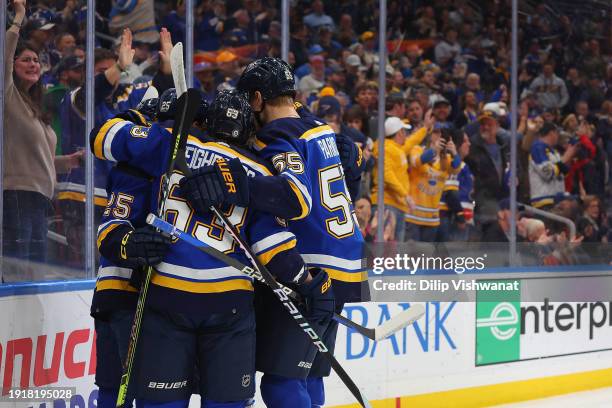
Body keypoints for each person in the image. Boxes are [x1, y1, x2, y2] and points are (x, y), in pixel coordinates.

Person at [91, 89, 323, 408]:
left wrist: (148, 113)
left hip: (166, 296)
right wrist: (307, 282)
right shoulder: (256, 170)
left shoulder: (167, 142)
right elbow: (273, 249)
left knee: (160, 403)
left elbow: (101, 136)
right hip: (230, 305)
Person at [179, 57, 367, 408]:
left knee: (282, 382)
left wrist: (234, 181)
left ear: (257, 99)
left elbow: (296, 198)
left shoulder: (275, 138)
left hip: (308, 269)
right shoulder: (321, 130)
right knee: (307, 373)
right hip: (345, 266)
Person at [3, 0, 81, 266]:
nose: (33, 64)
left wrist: (68, 161)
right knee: (17, 270)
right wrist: (19, 18)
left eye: (36, 60)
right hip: (16, 196)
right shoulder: (8, 98)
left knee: (32, 274)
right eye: (25, 59)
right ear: (11, 66)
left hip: (39, 200)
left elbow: (40, 160)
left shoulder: (35, 108)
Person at [405, 127, 461, 242]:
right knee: (410, 257)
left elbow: (456, 168)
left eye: (443, 134)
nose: (440, 136)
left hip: (432, 218)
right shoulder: (417, 149)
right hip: (413, 216)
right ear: (430, 135)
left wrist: (455, 153)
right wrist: (434, 149)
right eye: (436, 132)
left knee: (425, 259)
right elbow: (417, 162)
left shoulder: (445, 159)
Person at [528, 122, 576, 208]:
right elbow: (547, 173)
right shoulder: (537, 148)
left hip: (556, 199)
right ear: (552, 133)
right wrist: (566, 157)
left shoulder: (554, 152)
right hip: (543, 201)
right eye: (557, 133)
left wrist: (569, 155)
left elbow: (563, 173)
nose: (558, 137)